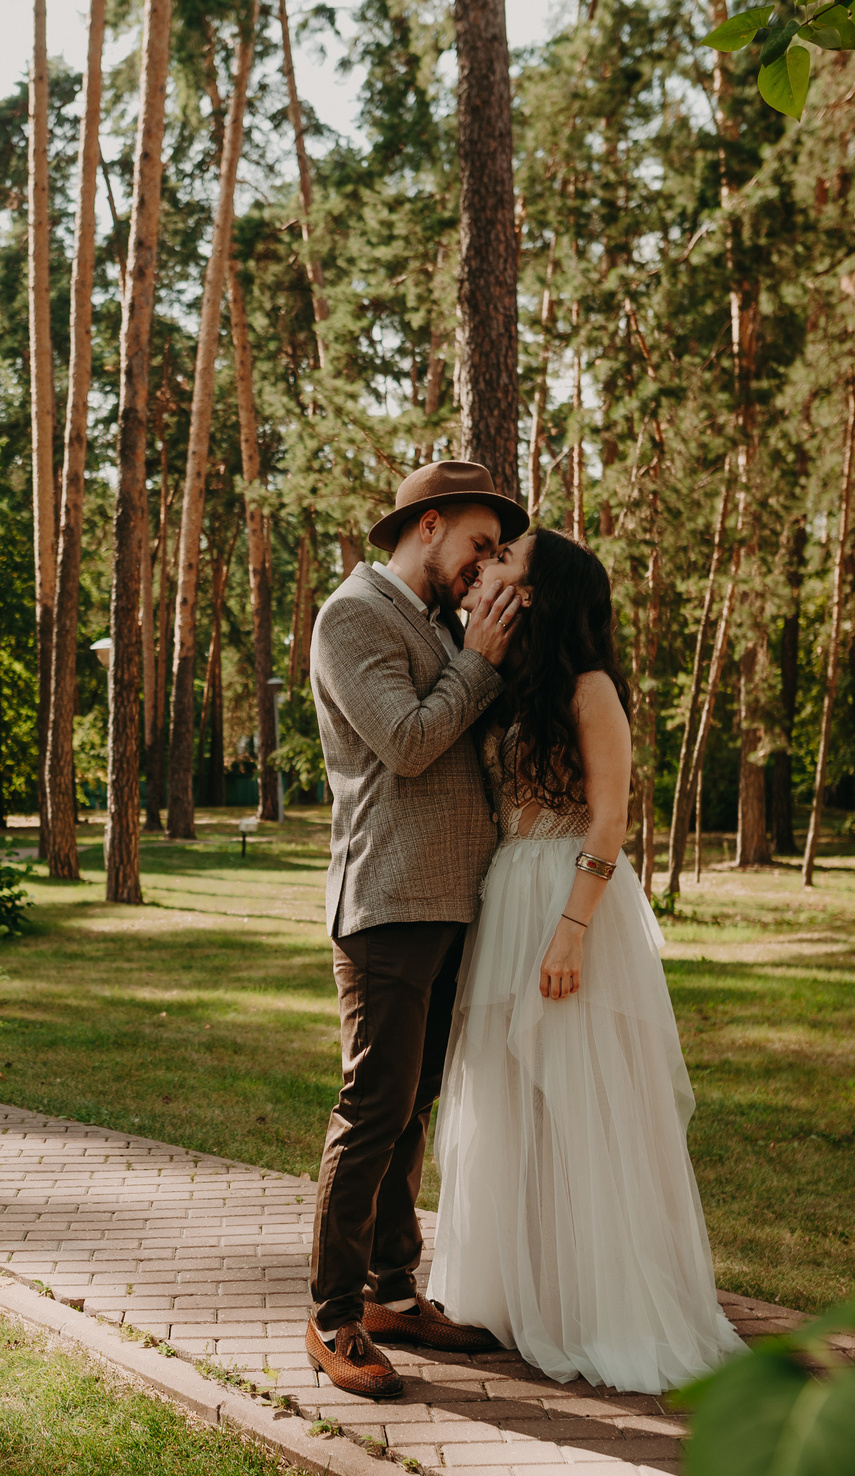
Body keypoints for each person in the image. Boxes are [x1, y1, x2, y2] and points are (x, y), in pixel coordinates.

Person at [428, 528, 746, 1394]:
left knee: (581, 1106)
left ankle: (602, 1307)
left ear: (539, 592)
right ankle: (520, 1296)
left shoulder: (589, 687)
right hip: (505, 900)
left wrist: (570, 930)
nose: (491, 565)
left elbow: (610, 820)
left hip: (571, 905)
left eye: (509, 561)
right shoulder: (506, 681)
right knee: (504, 1103)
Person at [302, 460, 527, 1400]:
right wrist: (481, 660)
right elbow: (406, 740)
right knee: (372, 1110)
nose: (482, 568)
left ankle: (395, 1288)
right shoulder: (352, 615)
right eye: (478, 544)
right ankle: (332, 1314)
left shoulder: (437, 622)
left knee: (413, 1109)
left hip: (449, 902)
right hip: (388, 900)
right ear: (426, 525)